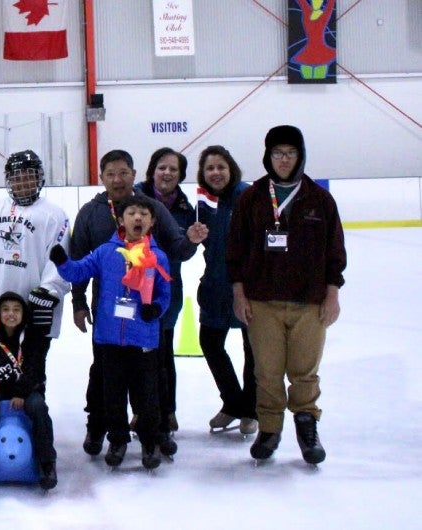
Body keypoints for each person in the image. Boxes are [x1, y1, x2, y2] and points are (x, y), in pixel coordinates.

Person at [68, 150, 206, 458]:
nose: (117, 180)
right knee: (104, 373)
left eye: (123, 173)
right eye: (110, 174)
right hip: (107, 315)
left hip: (146, 313)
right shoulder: (91, 213)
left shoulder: (150, 209)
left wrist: (192, 241)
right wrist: (78, 303)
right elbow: (78, 260)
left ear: (134, 174)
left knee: (152, 372)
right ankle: (98, 425)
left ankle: (156, 431)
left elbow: (177, 249)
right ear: (101, 178)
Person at [226, 125, 345, 465]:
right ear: (268, 156)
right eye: (277, 153)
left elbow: (335, 250)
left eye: (290, 153)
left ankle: (307, 427)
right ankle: (269, 429)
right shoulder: (251, 198)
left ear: (301, 156)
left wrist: (332, 293)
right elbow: (235, 250)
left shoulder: (319, 200)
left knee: (304, 371)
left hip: (309, 302)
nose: (283, 160)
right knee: (266, 371)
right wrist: (239, 293)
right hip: (262, 302)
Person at [51, 196, 172, 470]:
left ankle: (150, 442)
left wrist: (157, 309)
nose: (137, 218)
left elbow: (165, 294)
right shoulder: (106, 252)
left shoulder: (158, 257)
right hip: (109, 338)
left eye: (143, 213)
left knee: (146, 396)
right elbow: (78, 271)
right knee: (113, 395)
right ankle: (117, 440)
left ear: (152, 221)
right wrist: (62, 262)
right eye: (131, 213)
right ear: (121, 219)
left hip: (143, 338)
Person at [0, 149, 70, 361]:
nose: (23, 182)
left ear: (39, 178)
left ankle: (34, 393)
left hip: (33, 305)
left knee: (31, 370)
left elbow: (59, 260)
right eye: (17, 178)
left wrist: (49, 290)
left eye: (29, 176)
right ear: (9, 181)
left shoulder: (55, 215)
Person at [0, 292, 58, 492]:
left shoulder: (33, 338)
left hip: (27, 391)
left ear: (24, 314)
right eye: (5, 309)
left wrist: (21, 394)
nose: (11, 314)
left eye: (16, 309)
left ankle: (46, 463)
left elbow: (35, 371)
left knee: (39, 407)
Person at [133, 147, 195, 449]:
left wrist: (192, 242)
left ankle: (166, 412)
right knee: (133, 354)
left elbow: (183, 252)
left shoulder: (184, 207)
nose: (167, 173)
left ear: (181, 175)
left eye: (173, 169)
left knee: (162, 353)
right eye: (161, 167)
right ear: (151, 171)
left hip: (166, 288)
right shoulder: (134, 198)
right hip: (130, 288)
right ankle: (139, 412)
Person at [194, 145, 258, 434]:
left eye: (221, 167)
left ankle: (251, 410)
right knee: (210, 343)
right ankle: (233, 402)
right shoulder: (203, 202)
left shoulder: (248, 196)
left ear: (231, 168)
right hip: (215, 287)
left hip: (247, 287)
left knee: (252, 350)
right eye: (210, 168)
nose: (216, 173)